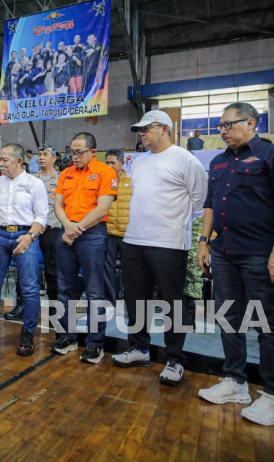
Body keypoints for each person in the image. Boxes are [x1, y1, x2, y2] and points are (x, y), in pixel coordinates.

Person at [196, 102, 274, 426]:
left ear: (251, 122)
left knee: (267, 323)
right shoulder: (217, 162)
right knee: (228, 317)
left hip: (259, 252)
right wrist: (203, 241)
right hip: (223, 251)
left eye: (230, 124)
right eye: (220, 126)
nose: (223, 131)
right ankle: (236, 382)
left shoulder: (273, 156)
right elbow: (210, 204)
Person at [111, 111, 207, 386]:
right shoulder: (138, 163)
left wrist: (174, 225)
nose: (141, 133)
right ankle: (139, 349)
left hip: (168, 243)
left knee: (173, 303)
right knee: (135, 299)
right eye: (139, 129)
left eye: (147, 128)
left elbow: (199, 202)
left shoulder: (185, 159)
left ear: (164, 129)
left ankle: (175, 359)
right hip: (134, 240)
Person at [50, 132, 117, 364]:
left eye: (79, 152)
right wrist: (67, 226)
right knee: (65, 290)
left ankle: (94, 344)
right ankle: (67, 337)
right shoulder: (66, 174)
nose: (74, 156)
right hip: (66, 234)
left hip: (93, 235)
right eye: (71, 151)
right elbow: (58, 205)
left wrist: (75, 229)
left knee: (95, 292)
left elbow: (102, 208)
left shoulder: (106, 172)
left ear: (92, 152)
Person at [0, 144, 48, 355]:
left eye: (5, 160)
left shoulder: (34, 184)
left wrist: (30, 237)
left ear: (18, 161)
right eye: (0, 159)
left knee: (29, 289)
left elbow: (41, 216)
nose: (0, 163)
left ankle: (27, 333)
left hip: (25, 236)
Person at [34, 145, 62, 315]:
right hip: (31, 229)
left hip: (52, 228)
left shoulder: (61, 179)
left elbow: (59, 205)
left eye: (45, 154)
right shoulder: (30, 178)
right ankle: (21, 304)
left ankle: (54, 306)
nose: (41, 157)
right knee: (27, 268)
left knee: (53, 270)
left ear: (54, 158)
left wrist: (45, 224)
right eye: (39, 154)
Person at [102, 149, 131, 301]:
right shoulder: (102, 182)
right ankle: (109, 301)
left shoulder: (132, 182)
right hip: (108, 232)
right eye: (107, 162)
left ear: (122, 163)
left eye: (113, 163)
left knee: (130, 271)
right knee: (107, 270)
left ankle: (130, 300)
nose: (109, 166)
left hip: (128, 235)